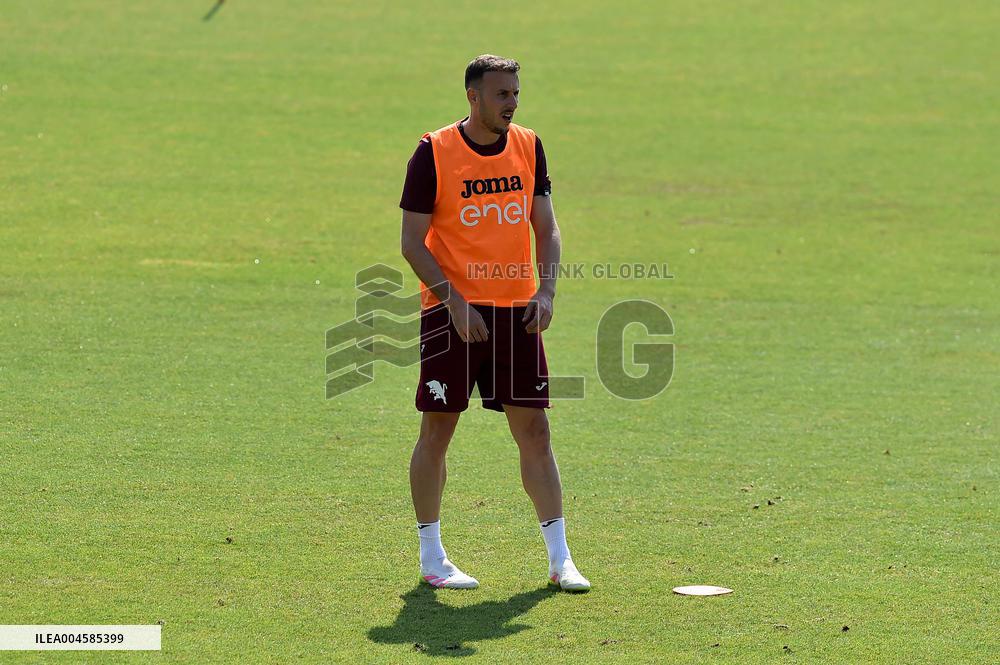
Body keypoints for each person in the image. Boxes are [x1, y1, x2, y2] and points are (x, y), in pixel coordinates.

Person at [399, 54, 590, 592]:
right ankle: (432, 557)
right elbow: (412, 243)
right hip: (450, 313)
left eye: (515, 93)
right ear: (473, 97)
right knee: (438, 429)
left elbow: (545, 226)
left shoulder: (529, 145)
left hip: (516, 313)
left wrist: (547, 289)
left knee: (535, 430)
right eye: (501, 93)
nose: (511, 102)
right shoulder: (433, 152)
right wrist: (455, 302)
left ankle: (560, 560)